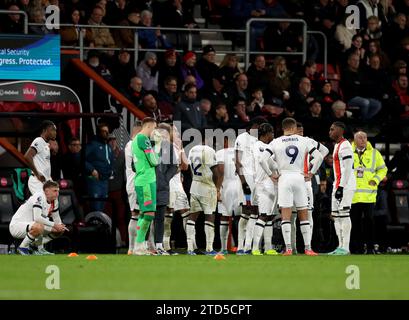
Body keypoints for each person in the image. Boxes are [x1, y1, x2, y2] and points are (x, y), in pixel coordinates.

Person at [260, 117, 323, 256]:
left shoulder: (276, 142)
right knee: (303, 213)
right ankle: (308, 248)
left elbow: (262, 159)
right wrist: (311, 173)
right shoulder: (304, 140)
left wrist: (271, 174)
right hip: (299, 177)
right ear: (294, 128)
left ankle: (288, 248)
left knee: (286, 214)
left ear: (283, 128)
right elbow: (319, 156)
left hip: (284, 178)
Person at [186, 130, 223, 255]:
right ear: (206, 139)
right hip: (207, 186)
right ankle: (209, 248)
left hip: (195, 184)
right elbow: (217, 173)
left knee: (192, 216)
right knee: (210, 215)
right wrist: (217, 189)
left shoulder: (191, 150)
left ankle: (190, 248)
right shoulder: (209, 150)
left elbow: (190, 170)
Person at [350, 131, 387, 254]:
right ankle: (357, 249)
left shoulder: (374, 153)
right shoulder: (348, 152)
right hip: (353, 195)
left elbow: (383, 170)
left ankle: (370, 248)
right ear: (354, 140)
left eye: (365, 137)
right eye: (360, 138)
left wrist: (375, 180)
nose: (363, 139)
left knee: (369, 222)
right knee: (355, 223)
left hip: (369, 195)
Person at [234, 117, 266, 255]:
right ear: (254, 126)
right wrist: (243, 182)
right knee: (247, 211)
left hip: (256, 179)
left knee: (254, 211)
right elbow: (237, 162)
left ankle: (248, 246)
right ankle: (242, 246)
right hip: (246, 178)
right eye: (259, 127)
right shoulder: (242, 138)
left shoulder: (258, 141)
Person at [9, 180, 66, 255]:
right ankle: (22, 248)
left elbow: (57, 221)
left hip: (33, 225)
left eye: (58, 191)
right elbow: (37, 218)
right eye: (55, 191)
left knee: (59, 230)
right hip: (17, 226)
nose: (57, 194)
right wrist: (54, 225)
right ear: (47, 191)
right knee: (39, 226)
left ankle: (37, 247)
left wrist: (60, 226)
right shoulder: (39, 196)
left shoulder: (54, 202)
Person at [248, 123, 278, 256]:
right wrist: (273, 173)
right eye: (272, 133)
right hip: (263, 184)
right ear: (267, 134)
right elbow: (264, 161)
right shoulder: (260, 146)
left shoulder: (259, 146)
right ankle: (255, 248)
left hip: (266, 184)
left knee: (270, 217)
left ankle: (268, 247)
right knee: (264, 215)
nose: (273, 135)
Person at [131, 117, 159, 255]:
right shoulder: (143, 138)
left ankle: (140, 246)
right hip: (146, 180)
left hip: (143, 180)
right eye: (155, 128)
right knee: (149, 213)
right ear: (150, 126)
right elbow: (154, 161)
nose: (155, 131)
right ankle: (138, 245)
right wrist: (158, 146)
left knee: (144, 213)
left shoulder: (137, 139)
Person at [328, 121, 356, 255]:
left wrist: (341, 187)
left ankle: (346, 247)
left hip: (345, 185)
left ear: (340, 131)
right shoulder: (337, 145)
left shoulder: (345, 145)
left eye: (332, 129)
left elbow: (348, 168)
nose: (330, 131)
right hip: (338, 184)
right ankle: (340, 246)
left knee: (344, 215)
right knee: (336, 216)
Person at [215, 137, 246, 254]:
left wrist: (217, 188)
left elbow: (221, 171)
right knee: (241, 217)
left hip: (226, 187)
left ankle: (223, 248)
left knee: (224, 216)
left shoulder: (220, 153)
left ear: (225, 141)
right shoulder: (241, 153)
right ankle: (241, 247)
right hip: (239, 186)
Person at [152, 123, 178, 255]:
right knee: (146, 217)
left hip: (162, 188)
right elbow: (135, 165)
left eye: (164, 135)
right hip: (148, 187)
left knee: (160, 218)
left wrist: (165, 179)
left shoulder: (168, 147)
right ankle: (142, 245)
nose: (162, 137)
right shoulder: (147, 146)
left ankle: (158, 245)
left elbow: (174, 166)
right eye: (159, 134)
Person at [84, 123, 114, 212]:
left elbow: (111, 161)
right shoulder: (92, 145)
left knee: (103, 205)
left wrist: (112, 171)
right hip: (94, 180)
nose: (106, 133)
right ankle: (93, 222)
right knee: (95, 205)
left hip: (105, 181)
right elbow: (82, 159)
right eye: (104, 131)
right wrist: (92, 170)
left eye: (107, 132)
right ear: (99, 132)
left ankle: (100, 223)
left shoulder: (108, 147)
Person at [24, 120, 57, 195]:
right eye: (52, 130)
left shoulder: (46, 144)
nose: (55, 132)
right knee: (42, 204)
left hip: (46, 181)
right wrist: (37, 174)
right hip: (37, 181)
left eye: (55, 130)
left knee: (52, 204)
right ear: (45, 130)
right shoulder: (39, 140)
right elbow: (27, 157)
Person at [125, 120, 142, 255]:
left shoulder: (129, 145)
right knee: (138, 214)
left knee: (140, 214)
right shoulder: (135, 144)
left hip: (133, 183)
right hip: (137, 183)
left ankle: (135, 247)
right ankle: (134, 247)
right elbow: (137, 166)